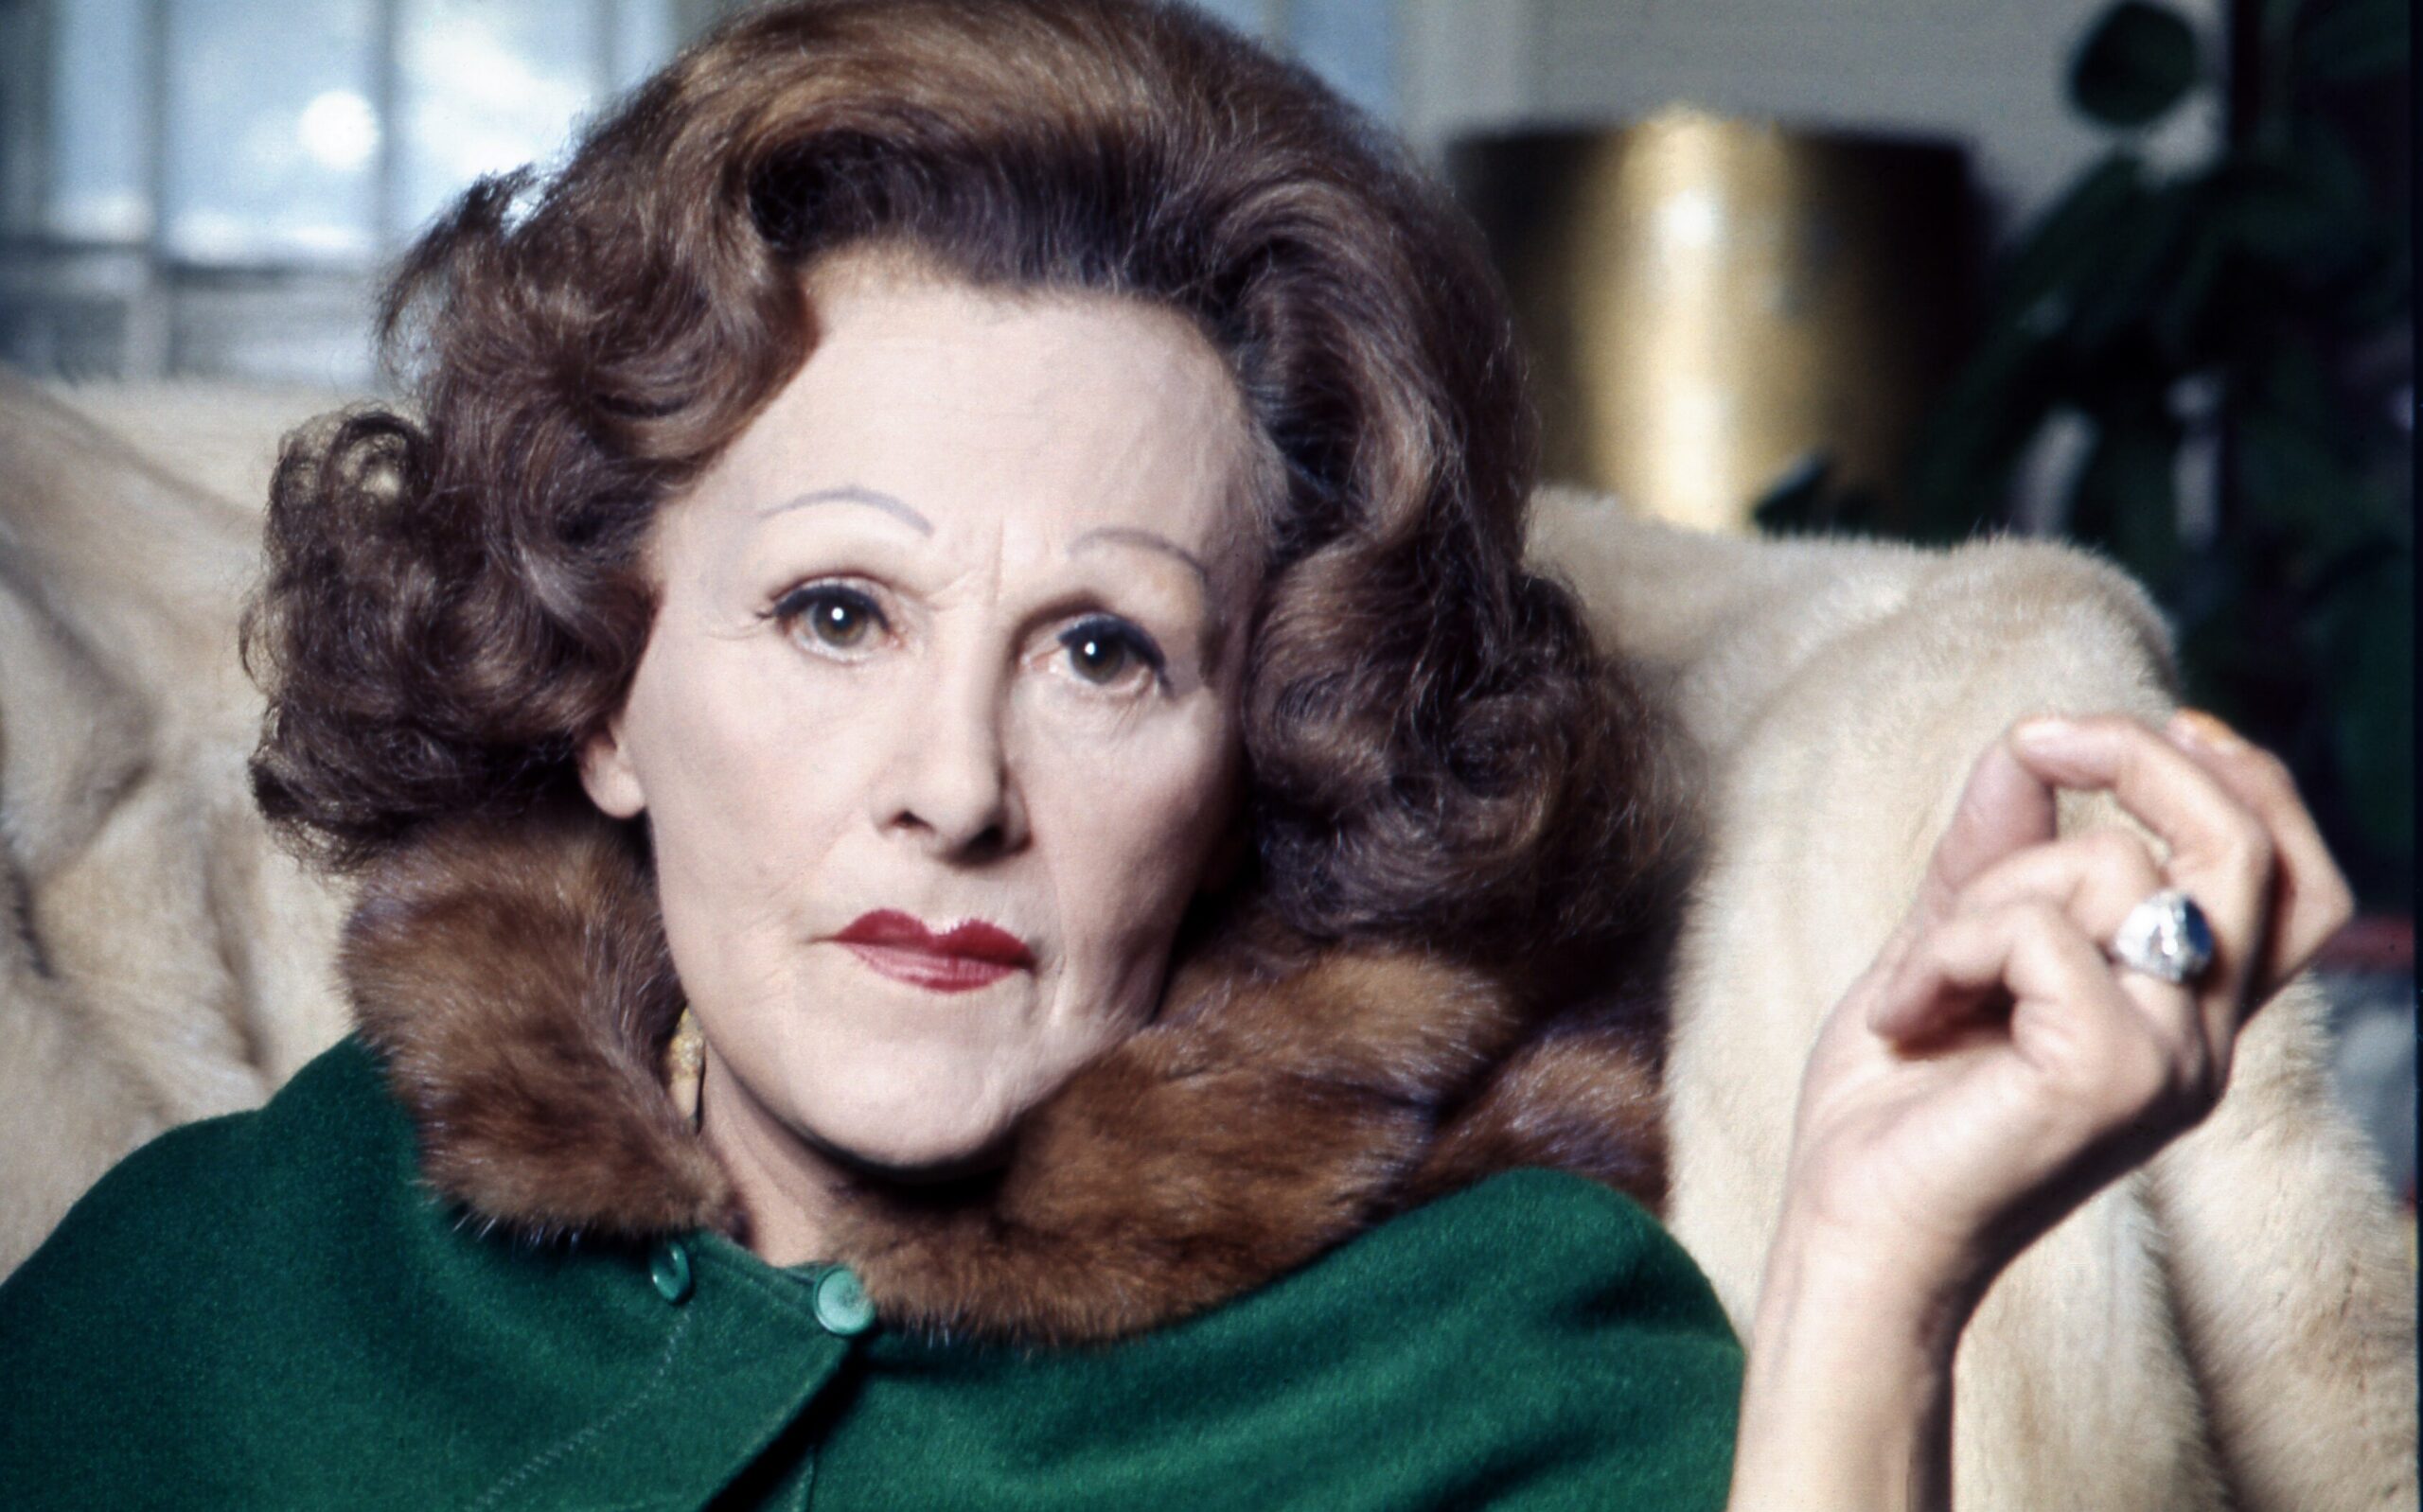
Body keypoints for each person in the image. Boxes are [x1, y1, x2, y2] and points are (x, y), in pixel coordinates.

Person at [0, 2, 2364, 1508]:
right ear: (603, 691)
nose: (955, 786)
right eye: (836, 613)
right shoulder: (232, 1286)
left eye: (1101, 651)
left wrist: (1875, 1268)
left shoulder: (1495, 1364)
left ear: (1266, 739)